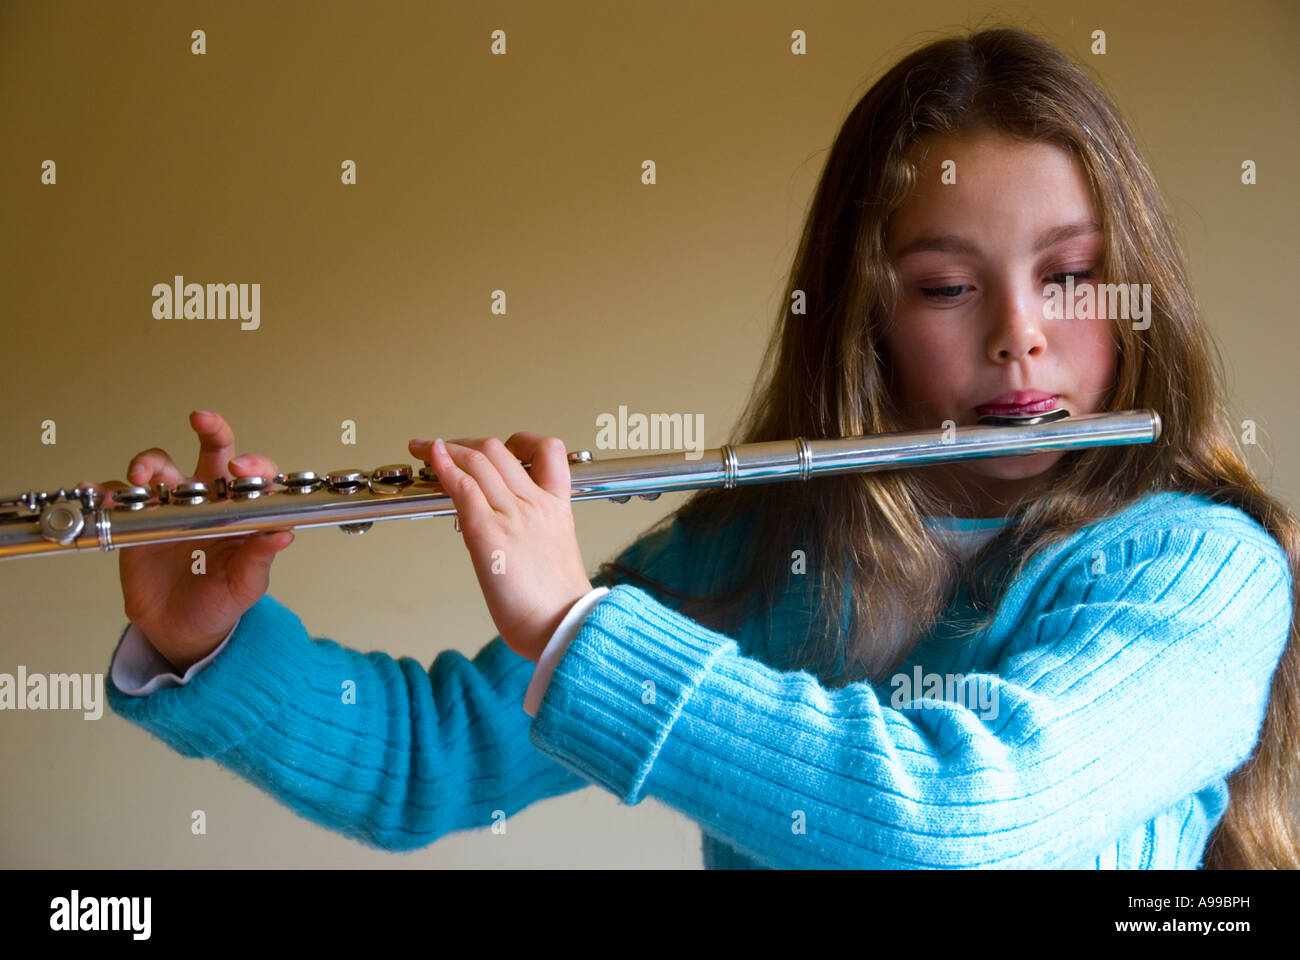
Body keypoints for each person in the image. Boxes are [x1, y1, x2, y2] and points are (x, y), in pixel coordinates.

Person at [99, 26, 1298, 869]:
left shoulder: (1195, 572)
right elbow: (427, 764)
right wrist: (207, 642)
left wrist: (576, 631)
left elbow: (953, 821)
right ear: (864, 320)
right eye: (944, 285)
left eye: (1071, 277)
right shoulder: (762, 556)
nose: (1017, 339)